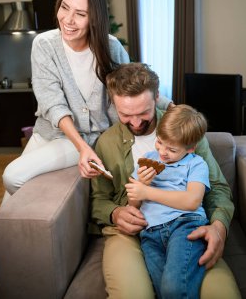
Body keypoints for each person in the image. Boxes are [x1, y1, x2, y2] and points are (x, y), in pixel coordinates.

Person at [91, 63, 240, 299]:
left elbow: (217, 188)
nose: (137, 123)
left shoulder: (185, 130)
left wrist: (218, 227)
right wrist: (116, 213)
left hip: (183, 224)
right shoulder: (105, 143)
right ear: (114, 104)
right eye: (126, 115)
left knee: (221, 293)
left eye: (144, 113)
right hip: (132, 232)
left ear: (157, 98)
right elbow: (99, 198)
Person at [2, 0, 133, 201]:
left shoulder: (111, 47)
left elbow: (132, 88)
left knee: (12, 176)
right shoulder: (44, 45)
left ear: (94, 17)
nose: (68, 20)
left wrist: (168, 106)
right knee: (8, 201)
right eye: (65, 7)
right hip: (48, 134)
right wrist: (81, 147)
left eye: (80, 14)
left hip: (85, 138)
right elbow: (52, 102)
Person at [125, 104, 210, 299]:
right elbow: (133, 204)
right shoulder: (148, 158)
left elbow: (191, 201)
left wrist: (147, 191)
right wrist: (140, 184)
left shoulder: (195, 164)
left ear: (190, 148)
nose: (162, 152)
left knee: (174, 289)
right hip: (151, 234)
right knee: (162, 290)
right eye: (160, 142)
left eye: (171, 149)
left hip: (185, 226)